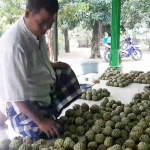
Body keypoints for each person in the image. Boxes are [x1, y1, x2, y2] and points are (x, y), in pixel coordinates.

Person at [0, 0, 82, 139]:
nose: (46, 28)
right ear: (27, 13)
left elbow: (36, 58)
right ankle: (17, 115)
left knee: (65, 71)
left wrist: (51, 64)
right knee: (44, 133)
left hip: (35, 88)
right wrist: (41, 122)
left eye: (50, 24)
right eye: (42, 23)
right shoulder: (13, 45)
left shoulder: (36, 30)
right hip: (19, 100)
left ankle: (49, 111)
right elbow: (17, 97)